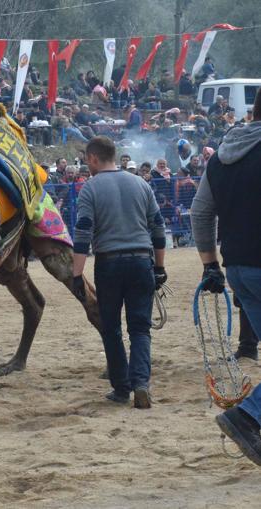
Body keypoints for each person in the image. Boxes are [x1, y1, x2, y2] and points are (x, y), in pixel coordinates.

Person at [191, 88, 261, 466]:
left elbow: (200, 212)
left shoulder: (221, 158)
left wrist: (209, 264)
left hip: (238, 269)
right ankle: (247, 416)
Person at [71, 136, 166, 409]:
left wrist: (77, 275)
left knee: (111, 329)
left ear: (92, 158)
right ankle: (141, 384)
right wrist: (159, 267)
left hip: (109, 263)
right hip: (141, 261)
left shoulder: (90, 188)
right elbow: (158, 229)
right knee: (140, 329)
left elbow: (83, 234)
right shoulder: (141, 183)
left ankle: (121, 388)